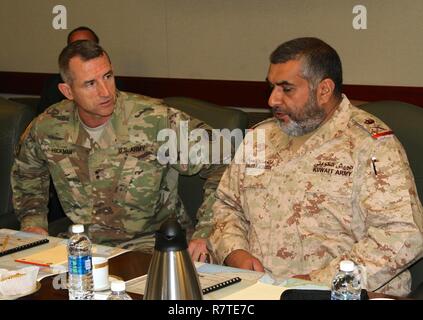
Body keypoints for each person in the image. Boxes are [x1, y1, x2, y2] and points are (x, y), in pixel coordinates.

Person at [207, 37, 423, 296]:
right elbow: (227, 205)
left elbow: (403, 235)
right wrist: (235, 252)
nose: (272, 100)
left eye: (286, 89)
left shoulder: (370, 145)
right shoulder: (259, 139)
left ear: (324, 90)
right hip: (259, 290)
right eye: (272, 87)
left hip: (342, 293)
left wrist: (318, 282)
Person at [11, 40, 225, 256]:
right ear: (67, 91)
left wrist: (206, 231)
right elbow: (27, 172)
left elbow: (224, 161)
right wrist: (33, 221)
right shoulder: (48, 126)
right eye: (90, 84)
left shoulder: (155, 120)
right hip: (85, 246)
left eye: (108, 77)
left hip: (153, 246)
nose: (105, 92)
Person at [37, 26, 100, 115]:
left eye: (87, 46)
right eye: (75, 47)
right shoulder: (54, 85)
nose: (81, 52)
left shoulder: (109, 83)